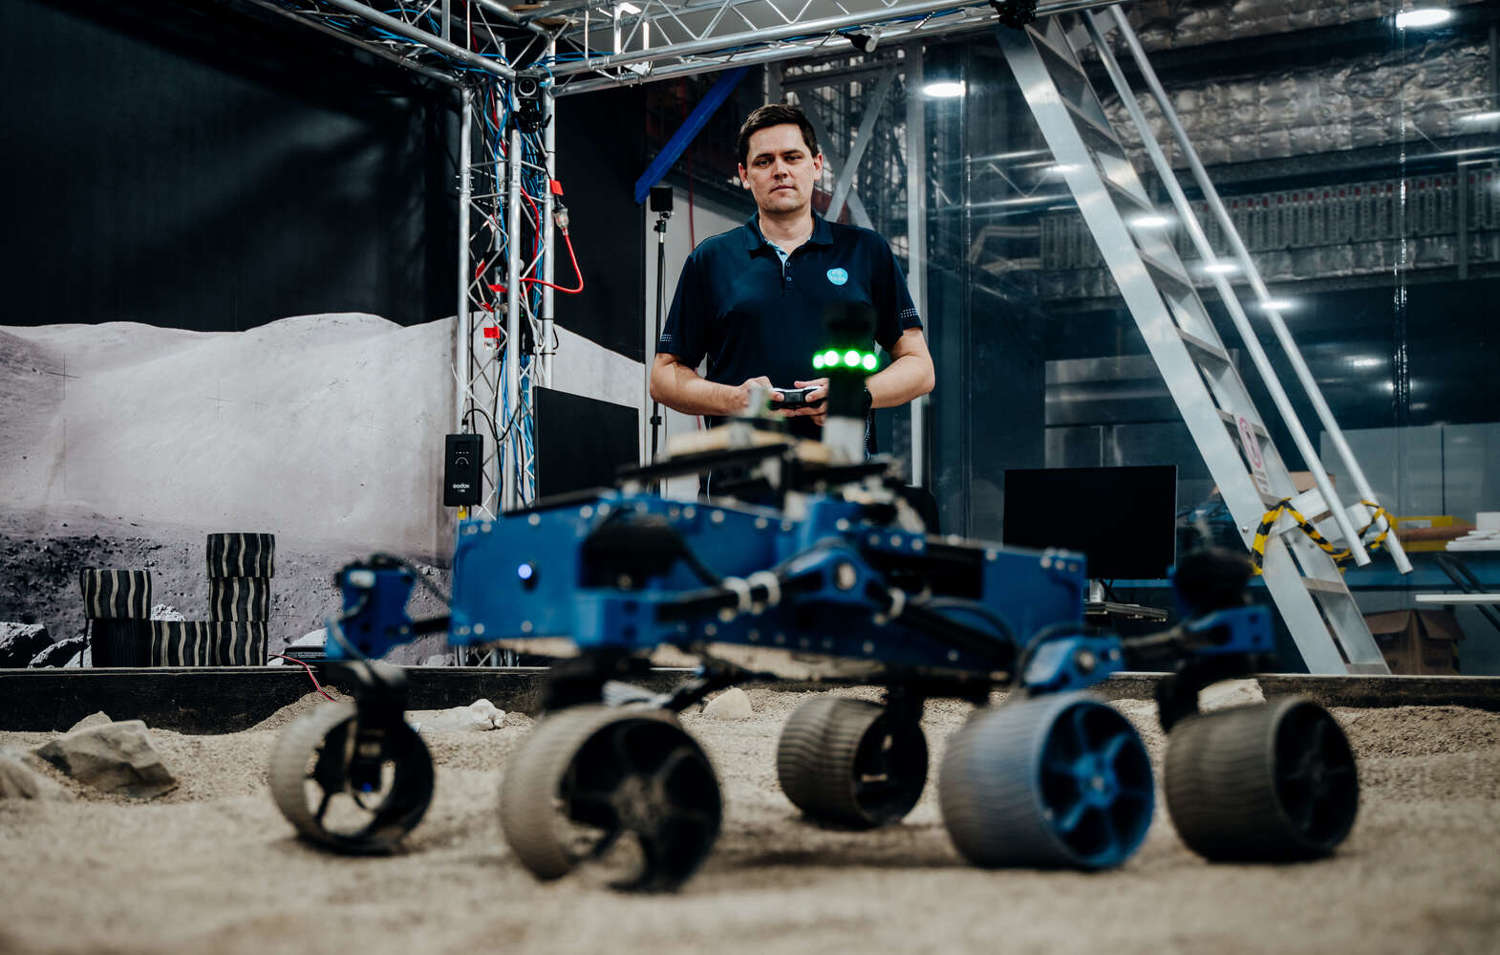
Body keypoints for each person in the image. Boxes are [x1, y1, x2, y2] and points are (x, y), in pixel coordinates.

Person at [649, 102, 935, 464]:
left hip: (842, 482)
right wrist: (735, 399)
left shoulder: (865, 251)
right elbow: (663, 376)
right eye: (764, 161)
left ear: (816, 166)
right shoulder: (711, 259)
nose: (780, 170)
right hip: (740, 485)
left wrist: (854, 394)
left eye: (792, 157)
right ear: (744, 174)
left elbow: (919, 366)